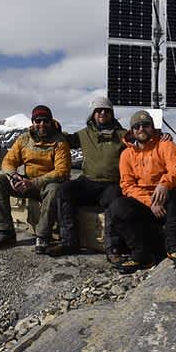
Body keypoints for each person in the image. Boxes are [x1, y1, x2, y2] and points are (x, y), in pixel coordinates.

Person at [108, 110, 176, 273]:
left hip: (166, 195)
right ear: (132, 131)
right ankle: (141, 255)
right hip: (145, 201)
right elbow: (127, 185)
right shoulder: (127, 154)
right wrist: (150, 202)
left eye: (145, 125)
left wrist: (165, 184)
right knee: (118, 207)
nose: (141, 129)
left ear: (152, 128)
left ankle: (173, 246)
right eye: (136, 126)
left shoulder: (165, 145)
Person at [45, 96, 126, 260]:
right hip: (88, 182)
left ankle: (113, 249)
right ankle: (69, 241)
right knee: (65, 191)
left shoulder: (123, 135)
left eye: (106, 110)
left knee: (115, 203)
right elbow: (67, 141)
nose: (102, 113)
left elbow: (142, 141)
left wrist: (161, 137)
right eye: (98, 110)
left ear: (112, 114)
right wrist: (54, 128)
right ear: (93, 114)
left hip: (111, 184)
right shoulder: (85, 134)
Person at [0, 105, 71, 254]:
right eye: (38, 120)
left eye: (45, 120)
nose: (42, 124)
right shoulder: (24, 139)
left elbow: (62, 171)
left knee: (55, 189)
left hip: (47, 184)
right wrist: (13, 176)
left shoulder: (60, 142)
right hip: (27, 182)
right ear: (33, 122)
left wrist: (32, 183)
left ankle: (43, 236)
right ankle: (5, 232)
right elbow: (8, 161)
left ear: (51, 122)